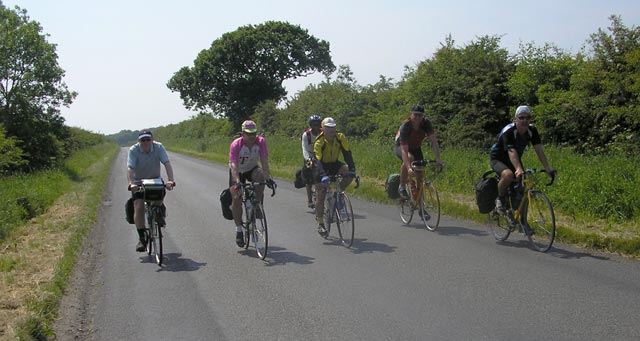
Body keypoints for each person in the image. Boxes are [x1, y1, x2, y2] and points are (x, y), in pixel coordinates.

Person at [489, 105, 555, 215]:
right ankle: (500, 199)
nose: (525, 121)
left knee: (524, 187)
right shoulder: (509, 131)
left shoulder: (532, 130)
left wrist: (547, 167)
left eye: (527, 118)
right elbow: (511, 151)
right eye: (521, 118)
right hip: (498, 158)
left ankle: (523, 222)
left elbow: (539, 150)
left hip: (514, 160)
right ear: (515, 119)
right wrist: (518, 168)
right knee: (508, 175)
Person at [127, 129, 176, 252]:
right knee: (138, 206)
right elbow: (130, 168)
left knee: (158, 199)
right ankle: (142, 238)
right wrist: (131, 183)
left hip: (155, 181)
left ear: (152, 140)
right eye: (143, 140)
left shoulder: (158, 147)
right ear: (139, 141)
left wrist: (170, 180)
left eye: (148, 139)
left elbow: (167, 163)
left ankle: (159, 209)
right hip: (139, 182)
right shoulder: (134, 150)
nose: (145, 142)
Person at [229, 120, 271, 247]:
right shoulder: (236, 144)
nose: (252, 136)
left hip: (252, 168)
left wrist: (267, 176)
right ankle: (239, 230)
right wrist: (237, 182)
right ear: (242, 134)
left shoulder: (261, 141)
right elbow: (234, 165)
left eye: (254, 133)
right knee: (236, 198)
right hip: (238, 171)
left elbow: (264, 161)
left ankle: (256, 204)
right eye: (248, 134)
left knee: (261, 175)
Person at [313, 117, 356, 236]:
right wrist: (322, 176)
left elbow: (347, 153)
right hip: (320, 166)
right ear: (322, 129)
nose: (332, 129)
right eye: (328, 127)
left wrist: (352, 169)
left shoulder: (340, 137)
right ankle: (321, 223)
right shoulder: (319, 142)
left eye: (333, 127)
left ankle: (338, 192)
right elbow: (317, 161)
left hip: (334, 163)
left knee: (348, 171)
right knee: (320, 193)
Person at [395, 104, 444, 199]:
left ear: (423, 116)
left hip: (416, 147)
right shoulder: (406, 126)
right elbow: (404, 151)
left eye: (420, 115)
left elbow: (434, 142)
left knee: (420, 171)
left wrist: (438, 158)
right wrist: (409, 168)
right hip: (401, 146)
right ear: (411, 114)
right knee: (410, 158)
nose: (417, 117)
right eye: (415, 114)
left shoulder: (426, 123)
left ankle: (418, 196)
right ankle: (401, 187)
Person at [301, 115, 322, 209]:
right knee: (308, 179)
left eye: (318, 124)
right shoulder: (306, 135)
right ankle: (309, 200)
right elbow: (304, 149)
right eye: (314, 124)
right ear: (311, 125)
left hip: (320, 156)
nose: (316, 126)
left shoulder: (323, 133)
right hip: (309, 156)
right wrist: (308, 159)